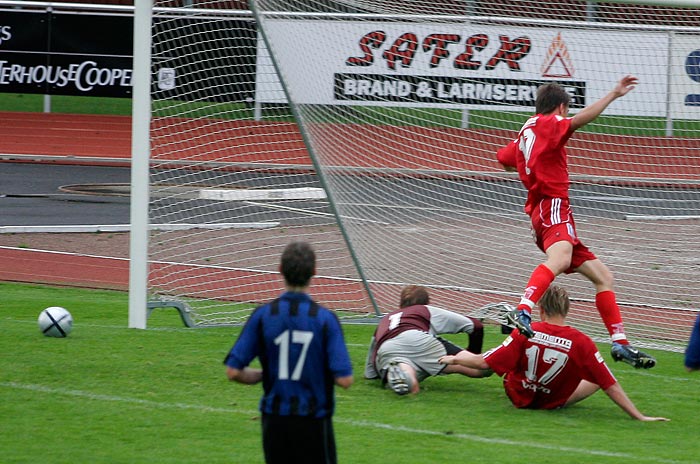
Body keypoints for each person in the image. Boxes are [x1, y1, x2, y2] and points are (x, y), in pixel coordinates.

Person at [496, 75, 655, 369]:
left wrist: (527, 165)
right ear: (560, 107)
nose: (566, 116)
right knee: (559, 260)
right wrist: (614, 94)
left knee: (602, 277)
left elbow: (503, 157)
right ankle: (522, 308)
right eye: (565, 111)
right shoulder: (549, 123)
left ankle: (620, 342)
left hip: (546, 212)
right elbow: (579, 121)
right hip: (552, 206)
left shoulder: (526, 130)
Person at [439, 285, 669, 421]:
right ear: (567, 310)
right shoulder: (582, 341)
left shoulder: (526, 331)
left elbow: (483, 363)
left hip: (518, 396)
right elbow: (610, 384)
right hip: (553, 401)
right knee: (598, 374)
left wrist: (454, 358)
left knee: (507, 360)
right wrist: (638, 415)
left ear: (540, 309)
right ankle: (561, 390)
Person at [224, 241, 353, 464]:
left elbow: (233, 371)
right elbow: (344, 379)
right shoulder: (325, 319)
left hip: (275, 418)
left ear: (280, 270)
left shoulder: (264, 315)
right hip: (313, 418)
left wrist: (265, 374)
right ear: (314, 271)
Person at [364, 284, 491, 395]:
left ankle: (405, 376)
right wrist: (473, 355)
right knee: (479, 369)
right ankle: (503, 357)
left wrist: (371, 374)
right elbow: (475, 326)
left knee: (406, 366)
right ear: (427, 302)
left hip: (387, 348)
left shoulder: (386, 319)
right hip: (417, 339)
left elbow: (372, 352)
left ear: (401, 302)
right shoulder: (424, 310)